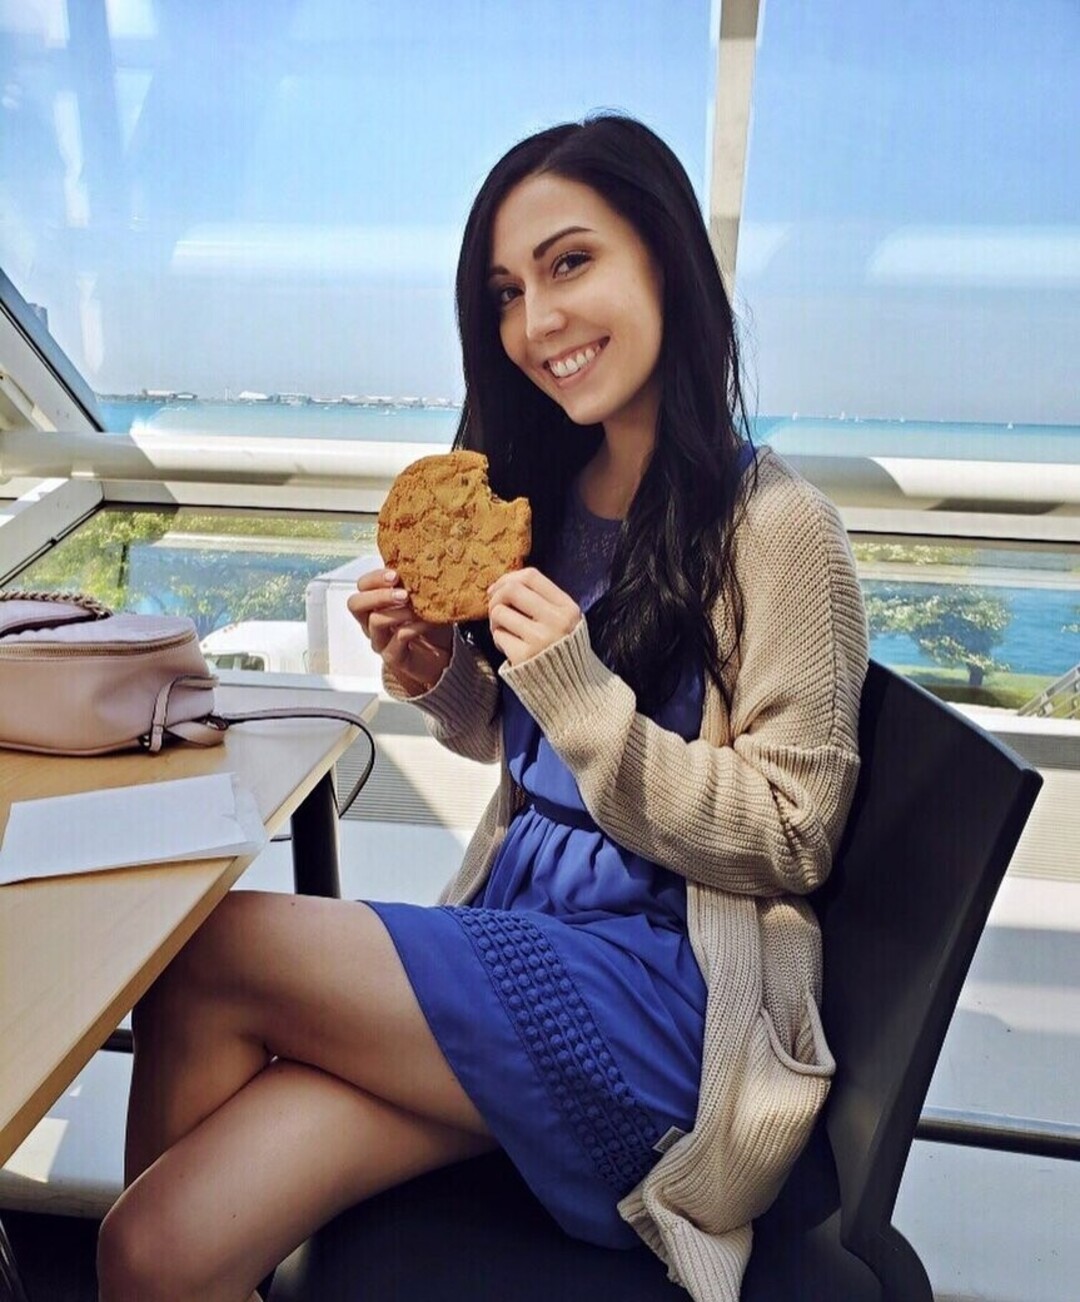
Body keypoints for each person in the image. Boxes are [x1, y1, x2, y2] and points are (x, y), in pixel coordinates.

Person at [98, 114, 868, 1302]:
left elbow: (794, 836)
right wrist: (437, 673)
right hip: (517, 943)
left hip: (661, 1005)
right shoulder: (550, 490)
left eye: (571, 264)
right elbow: (530, 754)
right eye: (507, 293)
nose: (536, 322)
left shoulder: (779, 529)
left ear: (666, 259)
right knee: (154, 1248)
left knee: (210, 950)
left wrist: (577, 689)